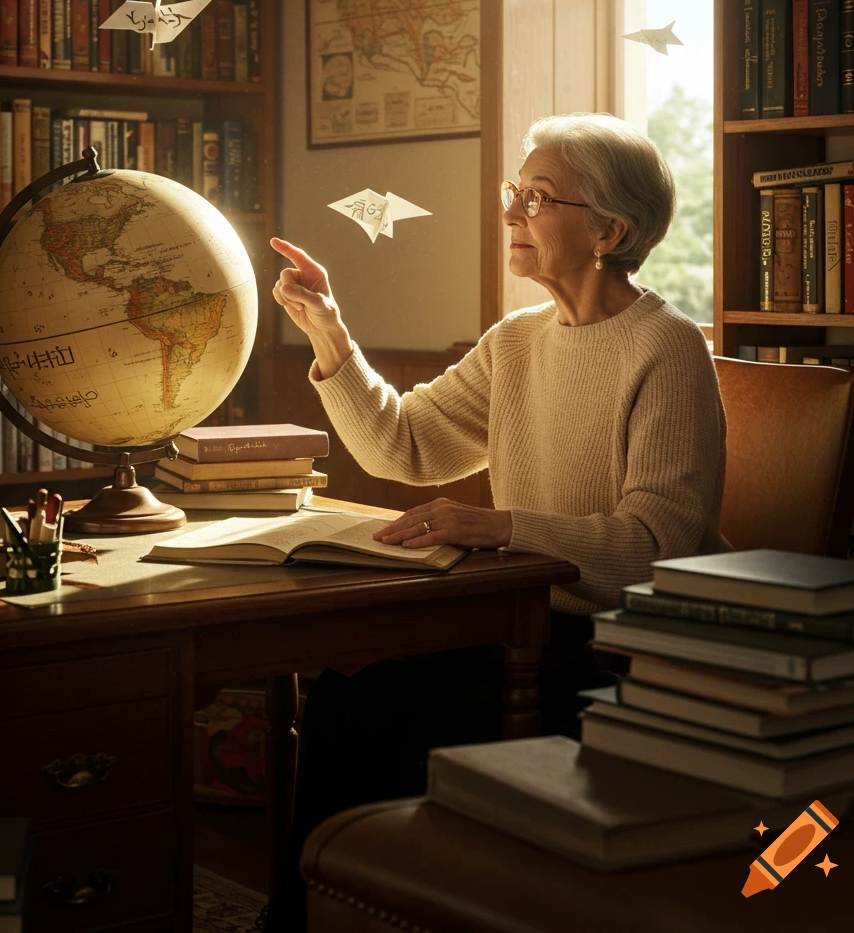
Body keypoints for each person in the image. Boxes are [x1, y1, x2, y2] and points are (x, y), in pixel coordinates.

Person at [269, 111, 731, 927]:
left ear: (609, 231)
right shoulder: (516, 341)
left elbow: (653, 550)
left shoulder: (669, 350)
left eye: (539, 197)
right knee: (349, 693)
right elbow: (401, 447)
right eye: (516, 192)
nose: (513, 212)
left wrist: (498, 526)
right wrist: (329, 332)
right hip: (518, 625)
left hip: (623, 652)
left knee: (416, 718)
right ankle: (308, 920)